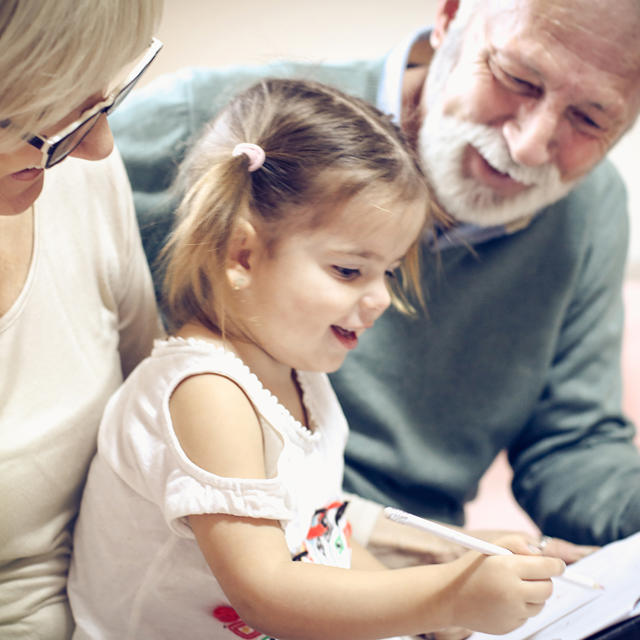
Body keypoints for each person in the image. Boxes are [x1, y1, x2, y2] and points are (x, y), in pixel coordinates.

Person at [108, 0, 640, 567]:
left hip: (382, 559)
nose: (530, 145)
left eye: (589, 119)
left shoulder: (591, 211)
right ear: (450, 17)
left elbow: (572, 443)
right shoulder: (237, 138)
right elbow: (270, 586)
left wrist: (442, 584)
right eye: (517, 78)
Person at [67, 77, 565, 640]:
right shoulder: (206, 392)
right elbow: (267, 593)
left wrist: (420, 616)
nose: (379, 299)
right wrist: (446, 599)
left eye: (389, 271)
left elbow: (318, 538)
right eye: (350, 270)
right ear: (243, 253)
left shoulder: (300, 382)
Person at [0, 1, 164, 638]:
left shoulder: (74, 179)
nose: (99, 145)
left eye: (99, 101)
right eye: (52, 115)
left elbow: (170, 432)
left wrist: (401, 549)